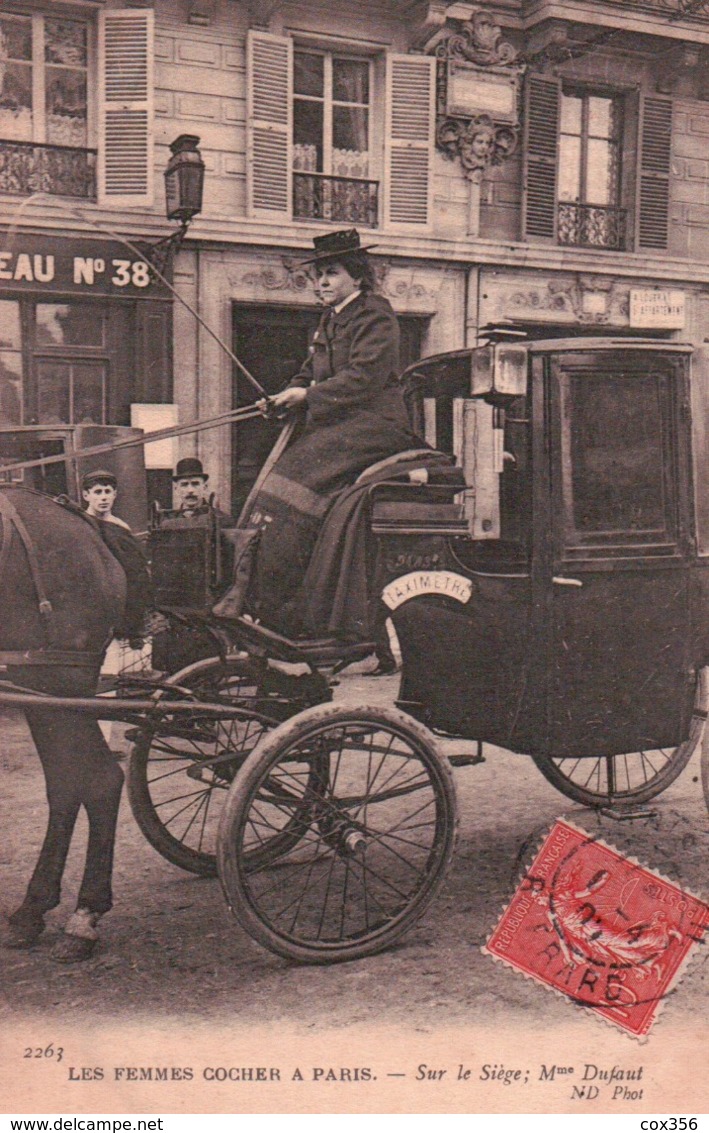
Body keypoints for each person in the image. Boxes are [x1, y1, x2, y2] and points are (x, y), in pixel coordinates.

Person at [248, 228, 424, 666]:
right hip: (339, 423)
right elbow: (309, 372)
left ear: (357, 277)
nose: (321, 282)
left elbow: (364, 378)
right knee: (279, 482)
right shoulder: (330, 320)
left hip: (374, 424)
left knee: (299, 478)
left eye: (330, 273)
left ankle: (307, 609)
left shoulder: (375, 314)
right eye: (318, 276)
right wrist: (286, 395)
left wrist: (307, 398)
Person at [80, 469, 150, 646]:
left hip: (117, 597)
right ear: (86, 495)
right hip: (90, 597)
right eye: (97, 492)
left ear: (114, 494)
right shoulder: (80, 524)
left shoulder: (120, 527)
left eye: (107, 492)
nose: (103, 498)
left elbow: (135, 571)